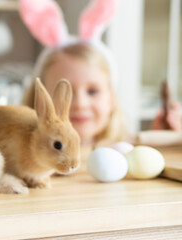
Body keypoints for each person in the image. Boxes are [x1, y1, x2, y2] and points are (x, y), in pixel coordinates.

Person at [19, 0, 181, 159]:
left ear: (111, 99)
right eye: (64, 93)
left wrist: (165, 139)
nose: (80, 103)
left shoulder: (125, 150)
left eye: (93, 91)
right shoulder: (20, 158)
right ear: (39, 100)